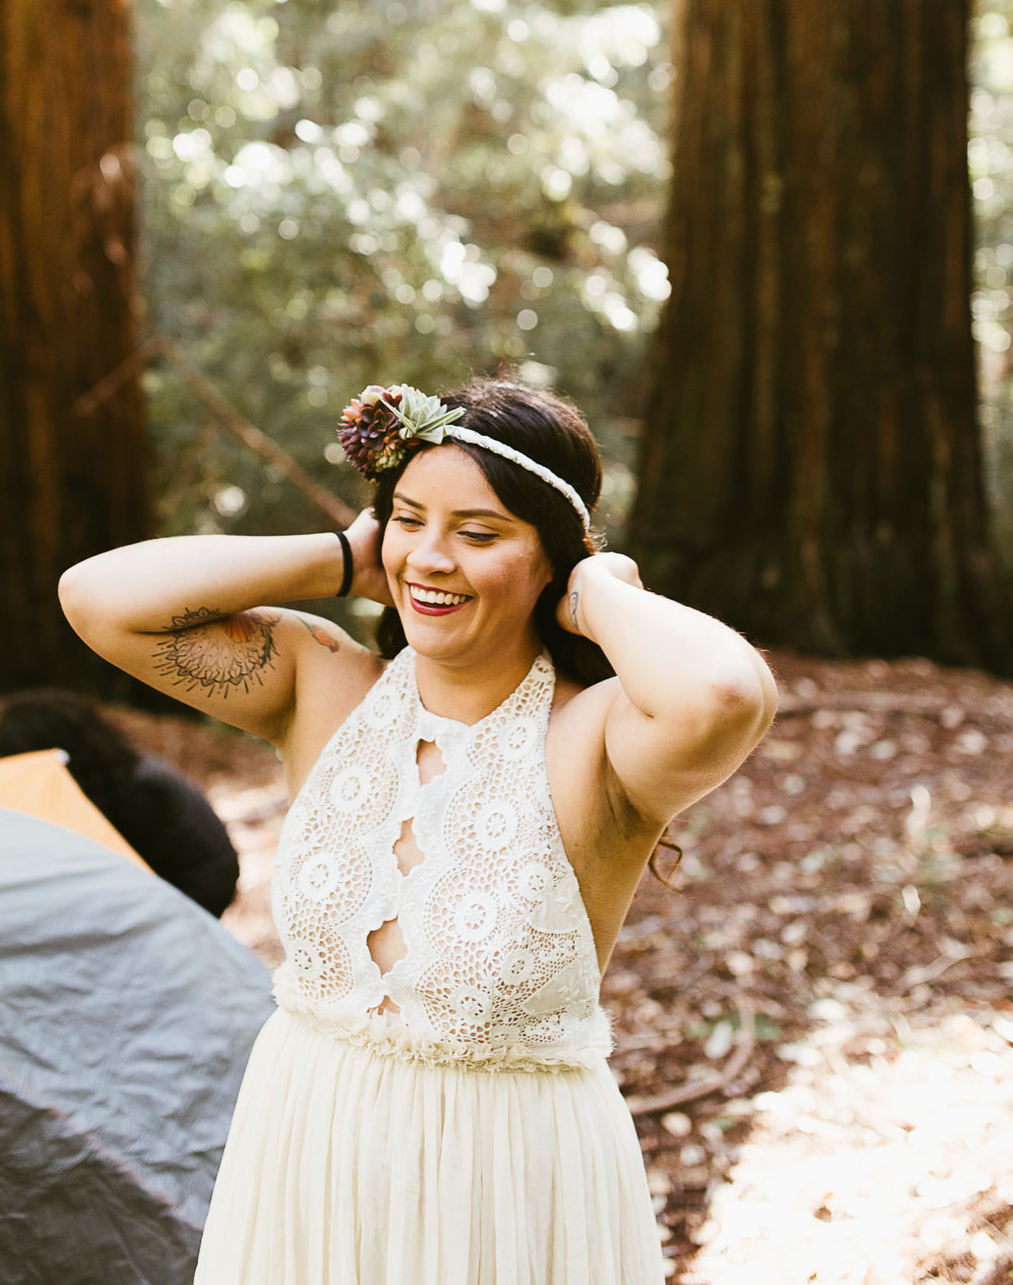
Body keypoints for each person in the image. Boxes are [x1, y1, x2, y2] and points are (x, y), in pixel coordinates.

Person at [60, 377, 775, 1283]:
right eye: (409, 519)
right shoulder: (322, 685)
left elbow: (725, 692)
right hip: (304, 1153)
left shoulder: (596, 737)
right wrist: (340, 558)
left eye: (478, 534)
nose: (431, 558)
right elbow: (96, 598)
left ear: (547, 556)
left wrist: (597, 589)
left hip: (502, 1190)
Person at [0, 688, 241, 915]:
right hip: (177, 880)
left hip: (197, 891)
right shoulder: (111, 773)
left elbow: (121, 874)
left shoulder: (138, 791)